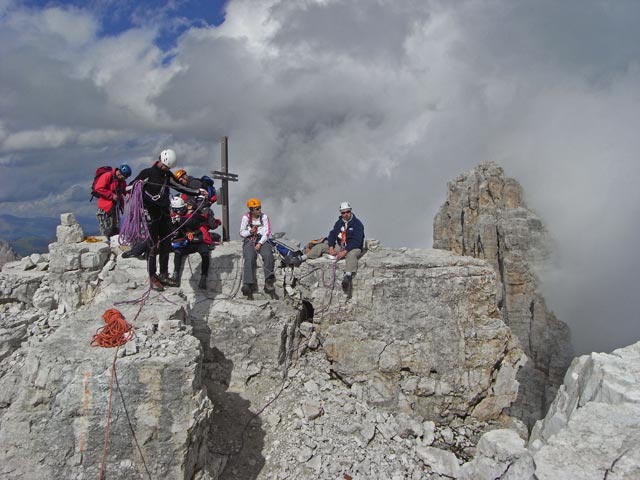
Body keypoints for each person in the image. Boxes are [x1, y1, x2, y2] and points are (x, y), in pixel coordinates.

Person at [128, 149, 208, 291]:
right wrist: (137, 185)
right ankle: (153, 277)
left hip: (164, 212)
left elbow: (179, 186)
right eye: (165, 166)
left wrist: (197, 192)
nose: (165, 168)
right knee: (153, 246)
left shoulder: (167, 175)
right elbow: (130, 187)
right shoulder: (147, 173)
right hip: (151, 213)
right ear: (160, 160)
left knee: (165, 245)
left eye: (168, 167)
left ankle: (164, 274)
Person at [305, 201, 365, 293]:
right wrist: (331, 248)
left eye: (347, 212)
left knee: (351, 255)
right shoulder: (339, 222)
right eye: (343, 212)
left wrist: (345, 251)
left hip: (353, 247)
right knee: (321, 246)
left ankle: (347, 276)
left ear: (351, 211)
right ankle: (303, 257)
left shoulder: (357, 224)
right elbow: (332, 234)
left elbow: (357, 241)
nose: (345, 214)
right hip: (340, 245)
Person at [168, 196, 212, 289]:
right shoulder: (178, 218)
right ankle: (175, 277)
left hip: (199, 241)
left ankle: (204, 277)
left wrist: (180, 220)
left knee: (205, 254)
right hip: (188, 243)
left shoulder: (196, 215)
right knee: (178, 252)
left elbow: (193, 221)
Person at [239, 198, 276, 297]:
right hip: (250, 238)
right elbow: (242, 233)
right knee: (249, 257)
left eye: (259, 208)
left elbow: (267, 232)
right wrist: (250, 232)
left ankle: (268, 281)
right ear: (251, 209)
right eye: (256, 209)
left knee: (268, 255)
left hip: (262, 238)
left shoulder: (264, 217)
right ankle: (247, 284)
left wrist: (260, 243)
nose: (259, 210)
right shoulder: (246, 217)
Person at [94, 164, 132, 241]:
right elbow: (98, 188)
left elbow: (124, 189)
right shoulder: (108, 176)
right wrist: (111, 195)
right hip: (105, 208)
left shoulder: (121, 181)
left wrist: (127, 193)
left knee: (115, 227)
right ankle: (107, 244)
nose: (124, 179)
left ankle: (114, 243)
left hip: (115, 207)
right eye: (124, 177)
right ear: (119, 173)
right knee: (106, 229)